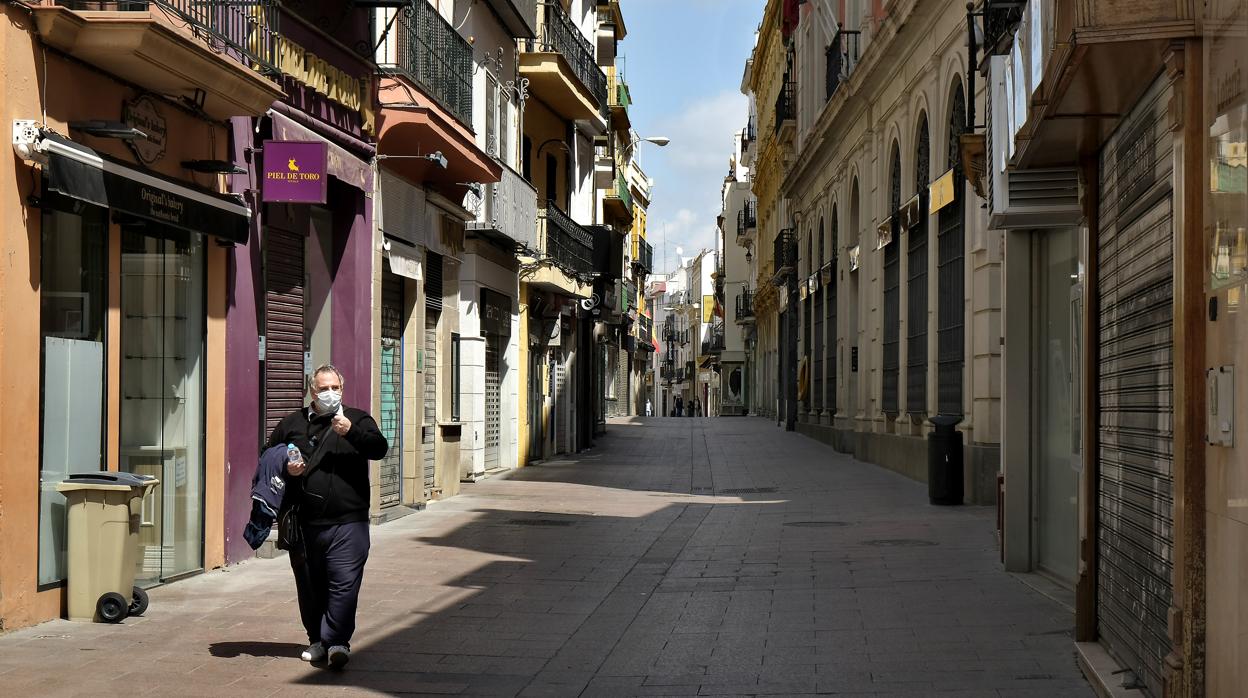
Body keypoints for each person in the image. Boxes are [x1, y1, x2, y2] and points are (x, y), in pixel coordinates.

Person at [268, 364, 388, 669]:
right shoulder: (292, 423)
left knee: (344, 583)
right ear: (312, 390)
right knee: (310, 586)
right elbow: (268, 457)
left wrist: (352, 432)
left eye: (335, 387)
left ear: (342, 390)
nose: (330, 393)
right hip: (304, 522)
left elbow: (379, 448)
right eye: (323, 388)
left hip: (350, 520)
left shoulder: (358, 418)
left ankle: (337, 641)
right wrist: (287, 465)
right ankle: (317, 640)